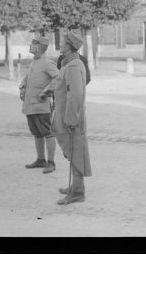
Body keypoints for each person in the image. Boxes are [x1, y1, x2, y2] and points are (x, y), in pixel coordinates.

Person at [52, 30, 91, 205]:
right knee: (71, 152)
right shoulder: (68, 64)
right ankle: (76, 187)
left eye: (62, 42)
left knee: (76, 153)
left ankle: (77, 192)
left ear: (69, 46)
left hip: (71, 119)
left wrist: (71, 120)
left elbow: (75, 96)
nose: (59, 44)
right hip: (65, 116)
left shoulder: (74, 66)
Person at [19, 35, 59, 173]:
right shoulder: (34, 61)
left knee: (48, 133)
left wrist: (46, 92)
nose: (31, 46)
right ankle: (41, 160)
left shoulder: (47, 62)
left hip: (41, 106)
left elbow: (58, 78)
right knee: (37, 133)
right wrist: (22, 87)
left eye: (34, 44)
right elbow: (27, 77)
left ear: (41, 47)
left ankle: (51, 162)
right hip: (30, 105)